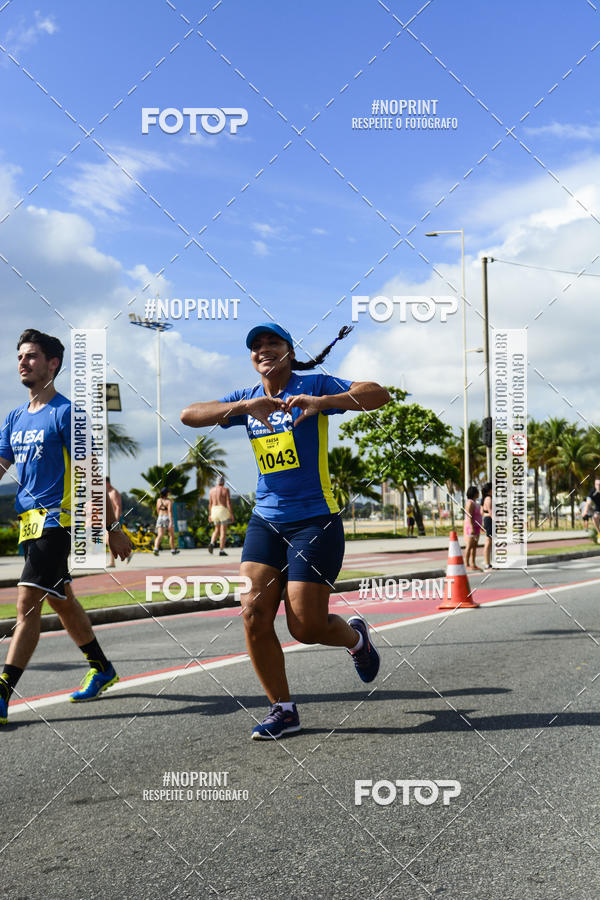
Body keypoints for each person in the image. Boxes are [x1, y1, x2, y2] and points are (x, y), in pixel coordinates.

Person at [181, 323, 390, 740]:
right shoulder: (247, 399)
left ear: (290, 352)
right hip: (266, 518)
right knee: (253, 614)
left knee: (305, 628)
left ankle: (357, 639)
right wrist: (243, 409)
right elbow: (189, 415)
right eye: (255, 345)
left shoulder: (312, 384)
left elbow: (378, 394)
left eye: (272, 343)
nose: (263, 350)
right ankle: (283, 709)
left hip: (316, 519)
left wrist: (323, 401)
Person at [0, 329, 131, 726]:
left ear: (53, 364)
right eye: (21, 356)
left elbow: (92, 476)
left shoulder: (68, 413)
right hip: (30, 523)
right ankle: (102, 667)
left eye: (32, 356)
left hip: (59, 521)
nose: (23, 362)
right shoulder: (14, 417)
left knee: (27, 604)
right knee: (61, 600)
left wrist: (113, 528)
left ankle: (3, 690)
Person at [208, 476, 234, 556]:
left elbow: (210, 503)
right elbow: (228, 502)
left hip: (214, 510)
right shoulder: (225, 490)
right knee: (223, 531)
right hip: (222, 509)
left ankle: (212, 543)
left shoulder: (211, 490)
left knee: (216, 529)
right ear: (223, 482)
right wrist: (231, 514)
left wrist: (210, 515)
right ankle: (221, 550)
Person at [105, 475, 126, 567]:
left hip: (113, 519)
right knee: (108, 540)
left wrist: (115, 521)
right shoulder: (107, 492)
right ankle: (126, 553)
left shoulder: (113, 492)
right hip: (108, 519)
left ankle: (112, 562)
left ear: (107, 483)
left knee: (110, 540)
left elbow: (118, 507)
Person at [153, 487, 179, 555]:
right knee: (171, 535)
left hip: (160, 517)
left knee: (160, 535)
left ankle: (155, 548)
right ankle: (173, 550)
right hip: (167, 517)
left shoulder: (158, 500)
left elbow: (157, 510)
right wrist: (170, 521)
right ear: (167, 493)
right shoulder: (169, 501)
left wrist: (160, 516)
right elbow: (170, 512)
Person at [463, 485, 482, 571]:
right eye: (477, 491)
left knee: (474, 546)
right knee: (469, 546)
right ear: (474, 493)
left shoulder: (475, 503)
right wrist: (471, 527)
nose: (479, 493)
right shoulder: (470, 503)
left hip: (477, 527)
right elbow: (469, 516)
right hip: (471, 527)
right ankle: (466, 564)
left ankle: (473, 563)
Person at [481, 481, 493, 570]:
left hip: (487, 519)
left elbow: (482, 512)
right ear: (490, 490)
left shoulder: (484, 498)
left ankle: (488, 562)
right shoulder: (488, 499)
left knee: (489, 542)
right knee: (488, 542)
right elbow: (491, 512)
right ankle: (487, 563)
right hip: (489, 520)